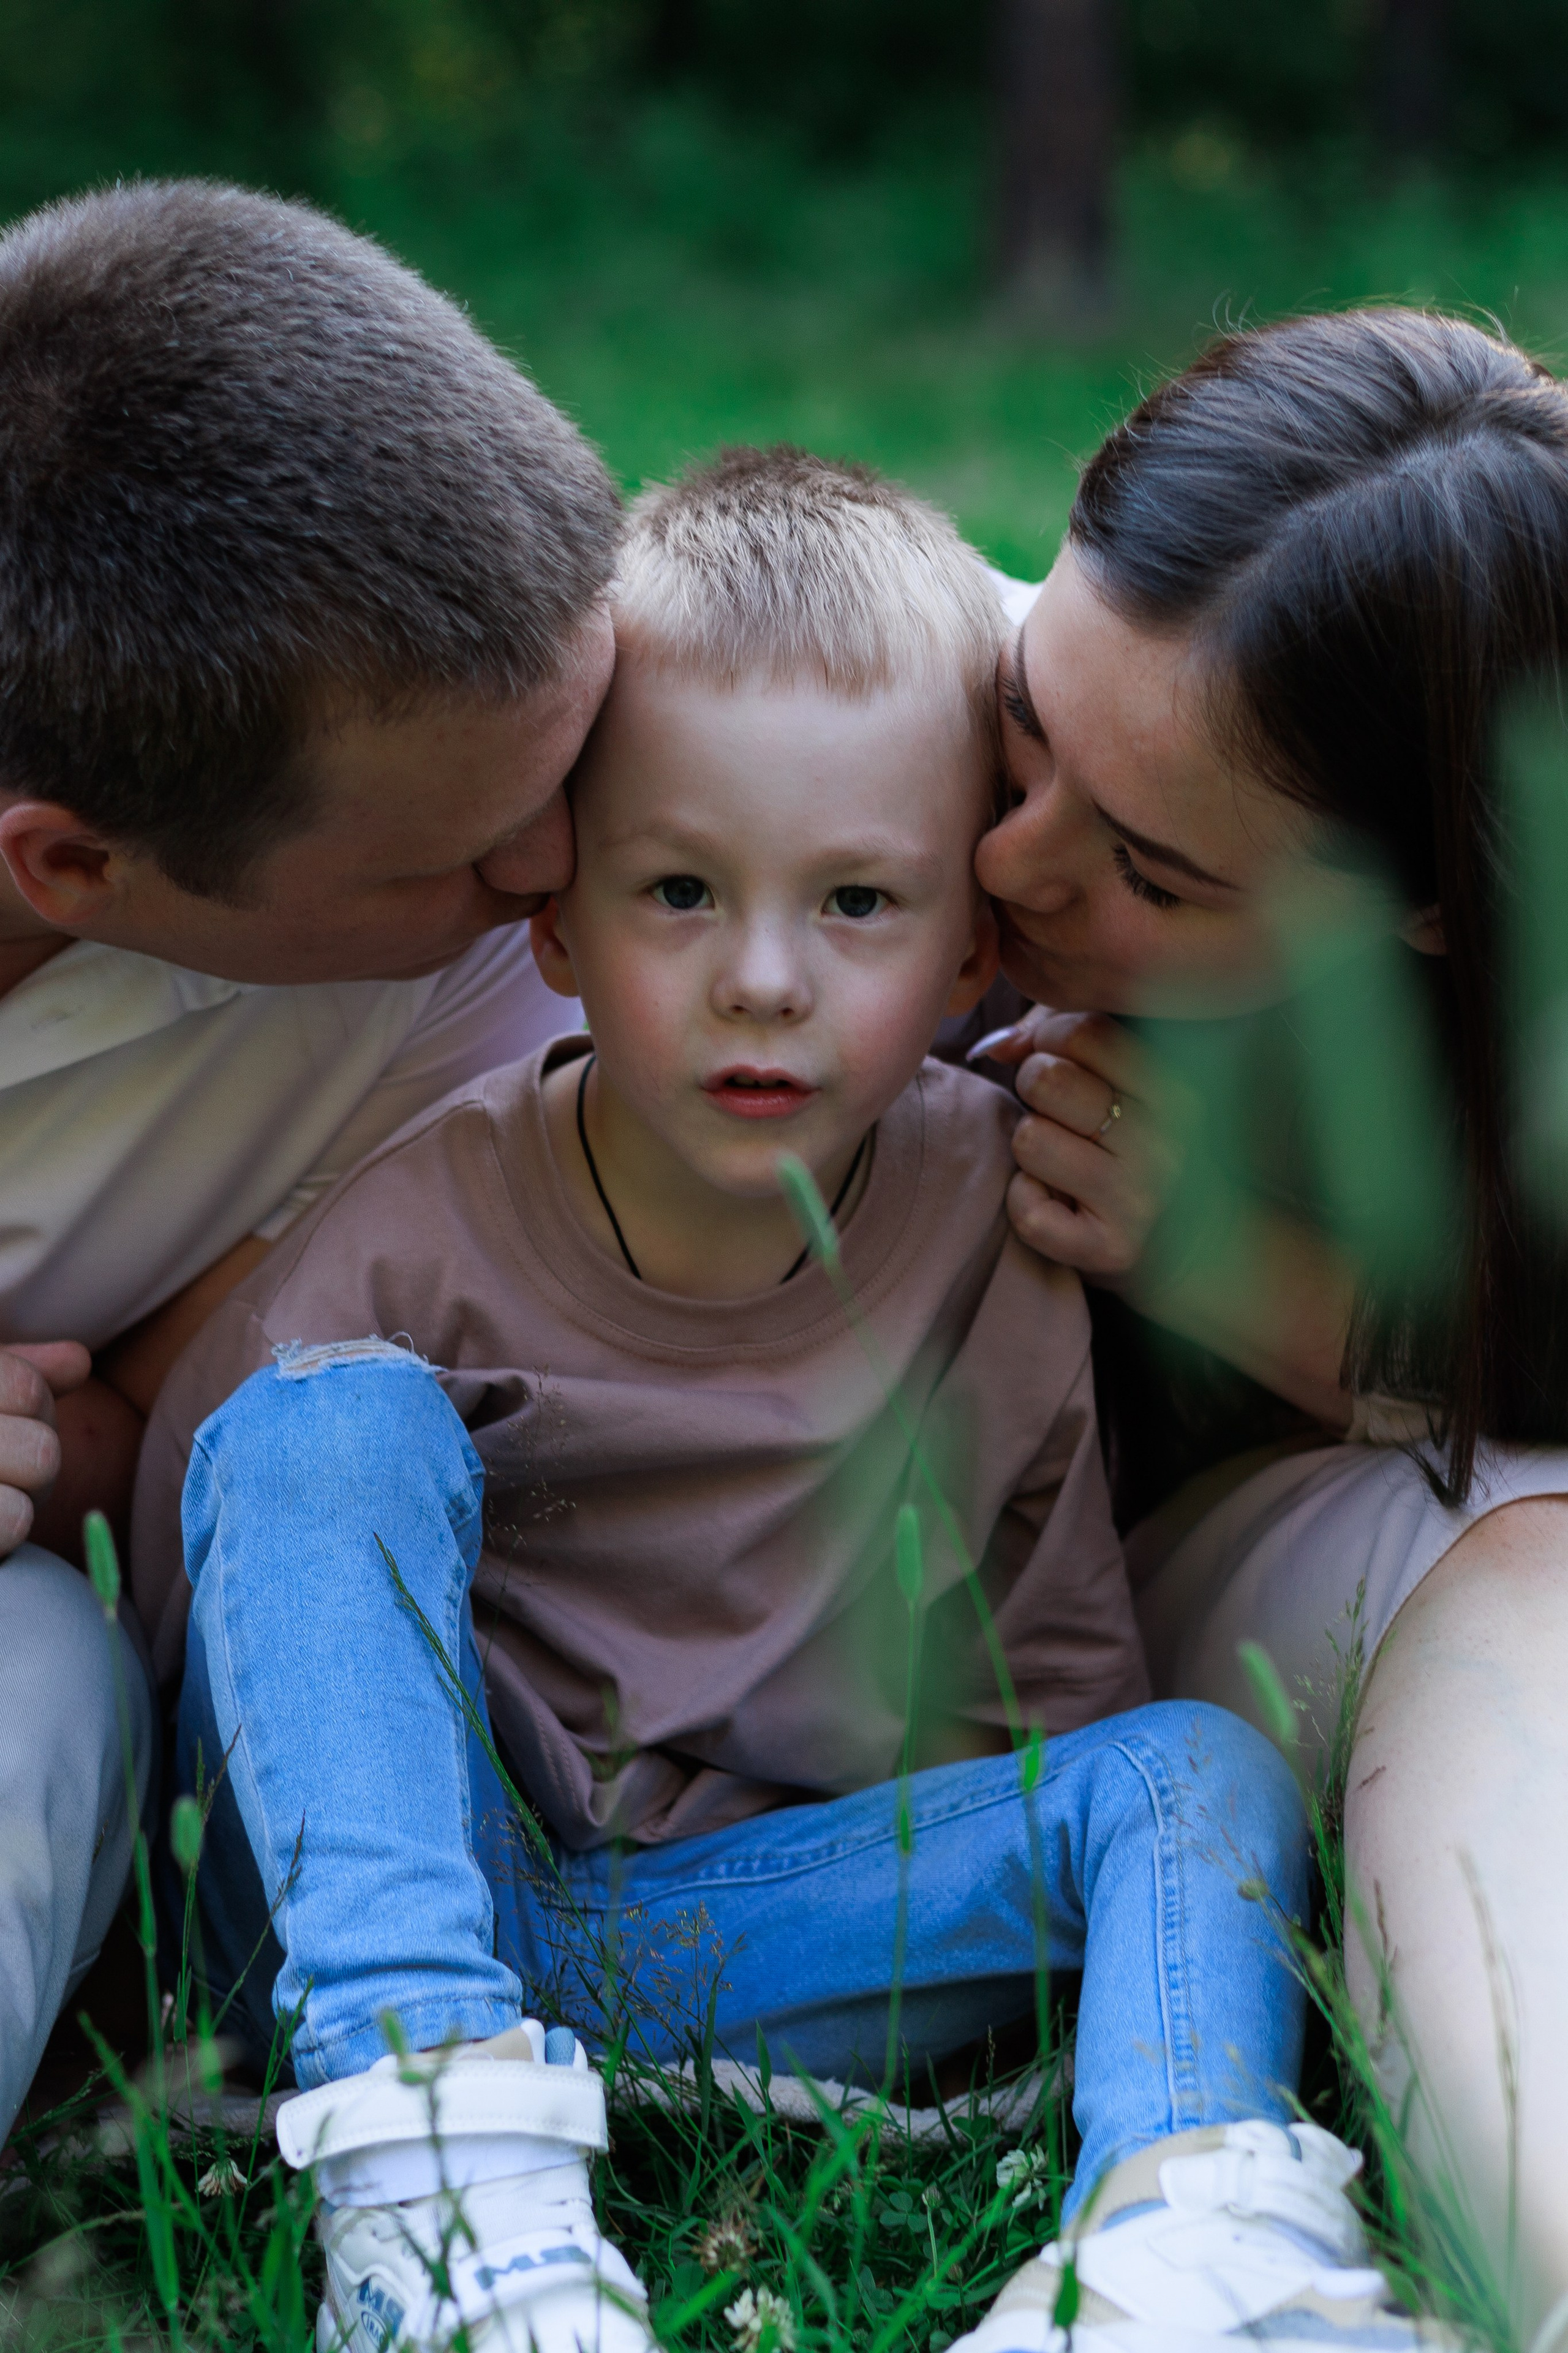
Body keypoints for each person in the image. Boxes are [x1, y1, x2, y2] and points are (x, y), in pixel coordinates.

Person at [132, 448, 1422, 2353]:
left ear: (972, 945)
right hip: (386, 1911)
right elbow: (241, 1613)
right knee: (326, 1426)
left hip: (725, 1926)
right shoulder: (421, 1220)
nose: (760, 980)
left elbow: (1039, 1645)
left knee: (1190, 1761)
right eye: (677, 891)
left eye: (856, 903)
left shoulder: (1001, 1208)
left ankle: (1187, 2236)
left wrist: (1024, 1911)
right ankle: (446, 2206)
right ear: (553, 923)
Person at [0, 178, 619, 2143]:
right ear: (73, 865)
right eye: (462, 853)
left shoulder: (456, 893)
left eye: (575, 769)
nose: (560, 873)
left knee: (47, 1682)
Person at [972, 309, 1568, 2344]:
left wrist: (1281, 1294)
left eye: (1144, 868)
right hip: (1100, 1645)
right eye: (1027, 718)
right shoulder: (859, 698)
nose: (1000, 855)